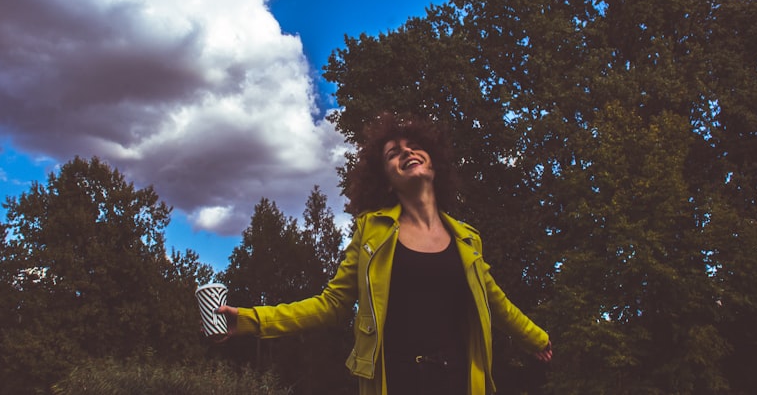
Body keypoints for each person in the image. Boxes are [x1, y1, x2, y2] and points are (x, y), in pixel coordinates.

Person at [215, 113, 553, 394]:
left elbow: (496, 301)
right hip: (396, 382)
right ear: (388, 181)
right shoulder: (371, 232)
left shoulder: (467, 239)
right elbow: (331, 305)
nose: (407, 152)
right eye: (394, 152)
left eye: (415, 147)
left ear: (434, 164)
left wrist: (536, 338)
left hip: (459, 382)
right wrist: (249, 320)